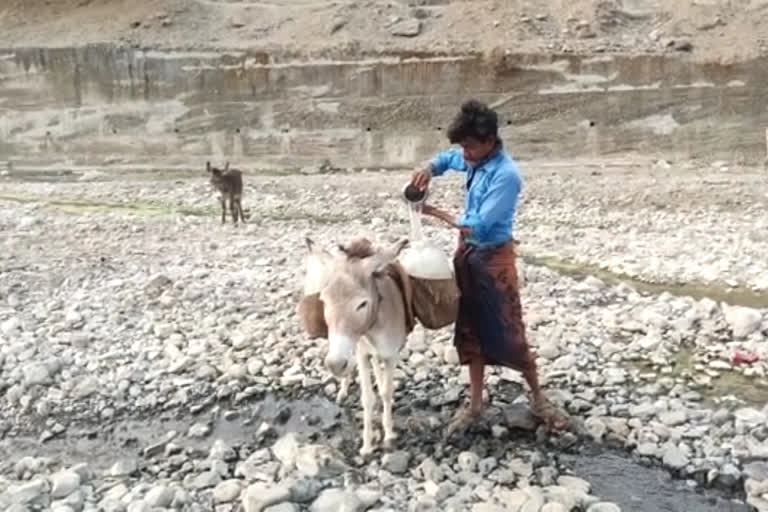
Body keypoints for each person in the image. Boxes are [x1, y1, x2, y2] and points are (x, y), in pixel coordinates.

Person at [410, 99, 569, 436]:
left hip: (494, 258)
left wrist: (434, 212)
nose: (463, 153)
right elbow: (449, 158)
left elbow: (478, 225)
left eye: (469, 146)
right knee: (470, 331)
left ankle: (538, 397)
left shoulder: (506, 176)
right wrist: (430, 168)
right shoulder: (472, 159)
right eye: (462, 146)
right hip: (467, 255)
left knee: (510, 331)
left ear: (489, 141)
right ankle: (476, 403)